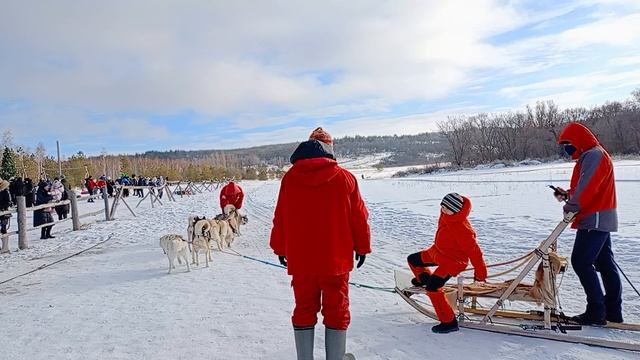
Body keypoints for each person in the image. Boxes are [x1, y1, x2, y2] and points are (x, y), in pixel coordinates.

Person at [270, 127, 371, 360]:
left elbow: (281, 216)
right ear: (329, 148)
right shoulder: (345, 178)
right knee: (337, 309)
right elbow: (359, 216)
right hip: (336, 259)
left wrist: (280, 247)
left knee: (304, 308)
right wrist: (363, 246)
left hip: (302, 260)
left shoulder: (290, 178)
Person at [554, 122, 622, 325]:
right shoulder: (591, 155)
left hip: (595, 218)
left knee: (582, 262)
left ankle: (596, 311)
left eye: (569, 145)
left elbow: (588, 188)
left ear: (579, 141)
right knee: (604, 263)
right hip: (599, 216)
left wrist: (570, 206)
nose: (567, 150)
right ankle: (612, 311)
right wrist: (567, 195)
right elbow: (586, 187)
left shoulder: (594, 155)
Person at [407, 193, 487, 334]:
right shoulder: (447, 214)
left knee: (433, 287)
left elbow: (475, 253)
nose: (443, 210)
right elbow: (452, 204)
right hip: (437, 252)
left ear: (456, 211)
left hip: (453, 262)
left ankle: (448, 322)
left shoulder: (463, 229)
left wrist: (480, 275)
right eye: (442, 206)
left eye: (447, 208)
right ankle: (424, 279)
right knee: (413, 260)